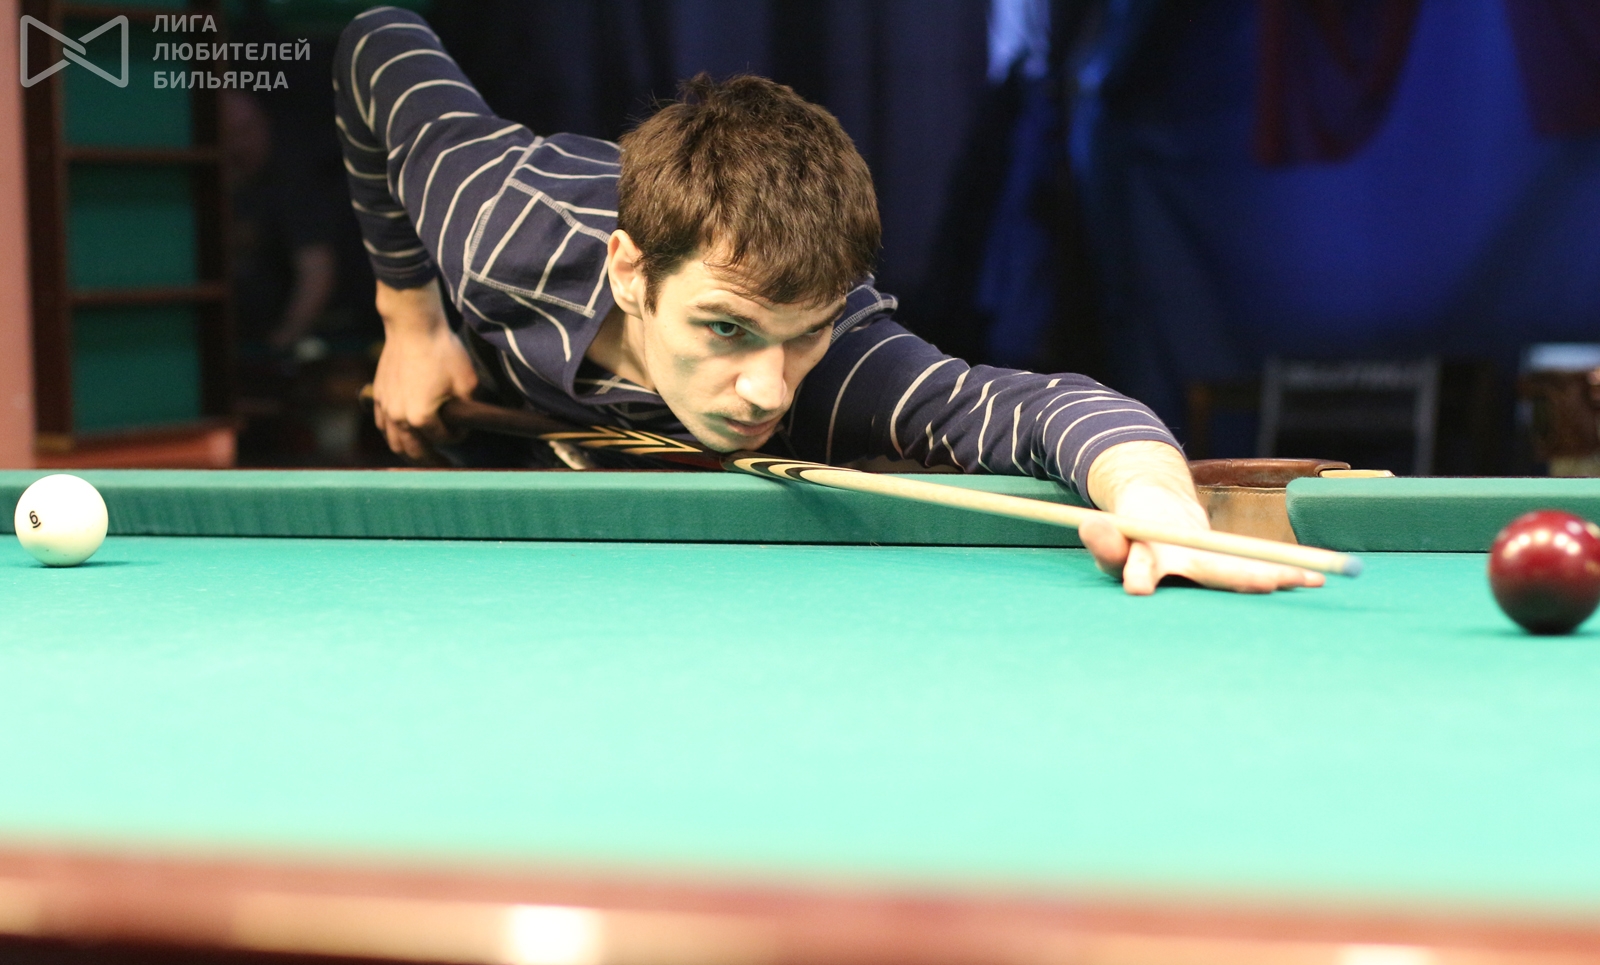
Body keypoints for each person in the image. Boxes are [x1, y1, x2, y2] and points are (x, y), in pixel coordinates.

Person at [335, 7, 1318, 596]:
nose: (767, 391)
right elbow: (377, 40)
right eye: (725, 328)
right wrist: (410, 322)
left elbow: (1041, 409)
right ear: (630, 273)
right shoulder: (501, 221)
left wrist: (1154, 502)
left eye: (800, 335)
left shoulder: (841, 364)